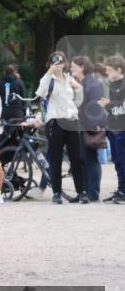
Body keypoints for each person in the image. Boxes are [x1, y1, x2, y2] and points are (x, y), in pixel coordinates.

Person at [32, 52, 85, 204]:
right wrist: (49, 73)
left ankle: (81, 192)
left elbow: (80, 94)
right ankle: (56, 193)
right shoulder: (49, 80)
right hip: (55, 121)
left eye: (60, 62)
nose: (58, 65)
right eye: (55, 62)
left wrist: (76, 105)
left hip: (71, 120)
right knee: (56, 158)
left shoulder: (69, 79)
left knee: (76, 158)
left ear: (64, 64)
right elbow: (40, 93)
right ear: (50, 64)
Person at [72, 55, 106, 203]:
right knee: (84, 159)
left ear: (82, 67)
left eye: (74, 66)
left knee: (90, 159)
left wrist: (94, 124)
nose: (71, 68)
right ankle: (86, 191)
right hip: (81, 125)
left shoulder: (92, 83)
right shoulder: (83, 82)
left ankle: (92, 192)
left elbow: (95, 105)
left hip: (89, 126)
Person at [100, 55, 125, 203]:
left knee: (122, 160)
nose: (107, 73)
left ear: (119, 70)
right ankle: (121, 189)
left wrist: (108, 105)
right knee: (117, 160)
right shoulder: (113, 84)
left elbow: (122, 108)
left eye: (109, 70)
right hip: (114, 128)